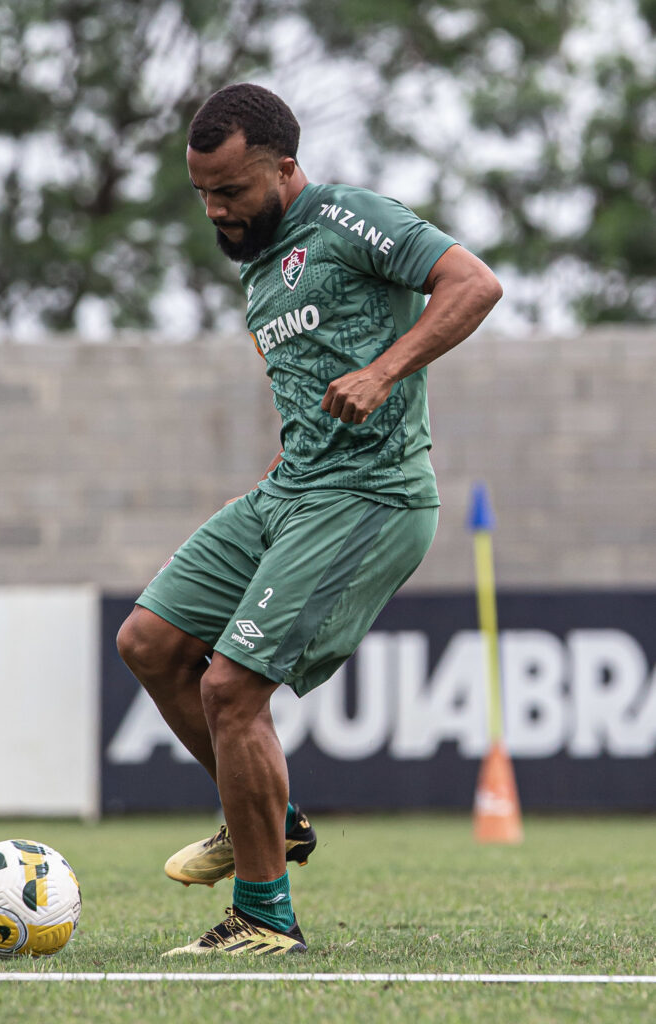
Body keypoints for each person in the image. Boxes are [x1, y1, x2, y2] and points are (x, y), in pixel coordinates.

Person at [117, 82, 502, 956]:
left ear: (285, 169)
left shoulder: (349, 218)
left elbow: (473, 284)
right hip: (292, 491)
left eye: (232, 191)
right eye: (202, 193)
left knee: (229, 689)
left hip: (370, 496)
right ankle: (269, 819)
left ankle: (265, 916)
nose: (216, 210)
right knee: (148, 642)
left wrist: (383, 371)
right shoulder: (257, 264)